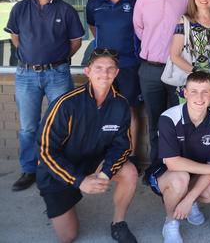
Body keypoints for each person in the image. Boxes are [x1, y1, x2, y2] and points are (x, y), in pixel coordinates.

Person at [36, 48, 138, 243]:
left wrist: (105, 173)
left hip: (93, 163)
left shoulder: (121, 104)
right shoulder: (66, 104)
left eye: (110, 69)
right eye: (98, 68)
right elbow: (45, 151)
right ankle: (65, 200)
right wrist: (79, 181)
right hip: (60, 170)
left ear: (116, 72)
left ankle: (118, 223)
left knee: (130, 171)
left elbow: (122, 146)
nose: (104, 73)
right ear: (87, 71)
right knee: (68, 236)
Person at [5, 0, 84, 191]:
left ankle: (58, 168)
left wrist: (57, 59)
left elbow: (75, 42)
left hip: (58, 75)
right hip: (26, 75)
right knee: (28, 126)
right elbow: (15, 37)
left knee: (61, 123)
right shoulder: (20, 8)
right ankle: (29, 169)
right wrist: (29, 58)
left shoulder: (66, 10)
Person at [151, 71, 210, 243]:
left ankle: (190, 202)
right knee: (180, 178)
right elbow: (172, 163)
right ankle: (170, 222)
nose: (199, 97)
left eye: (205, 91)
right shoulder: (168, 118)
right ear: (185, 93)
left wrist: (189, 199)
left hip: (196, 177)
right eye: (193, 91)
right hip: (167, 176)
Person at [133, 0, 189, 163]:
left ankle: (177, 166)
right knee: (155, 121)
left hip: (178, 69)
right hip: (150, 69)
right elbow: (139, 30)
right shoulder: (143, 0)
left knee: (178, 120)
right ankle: (157, 167)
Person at [86, 0, 141, 165]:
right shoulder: (93, 2)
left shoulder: (135, 2)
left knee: (130, 109)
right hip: (101, 68)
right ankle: (103, 153)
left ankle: (132, 155)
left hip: (128, 65)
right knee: (101, 108)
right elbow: (94, 28)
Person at [169, 0, 210, 118]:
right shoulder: (184, 21)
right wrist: (197, 73)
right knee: (192, 127)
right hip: (193, 85)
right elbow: (174, 55)